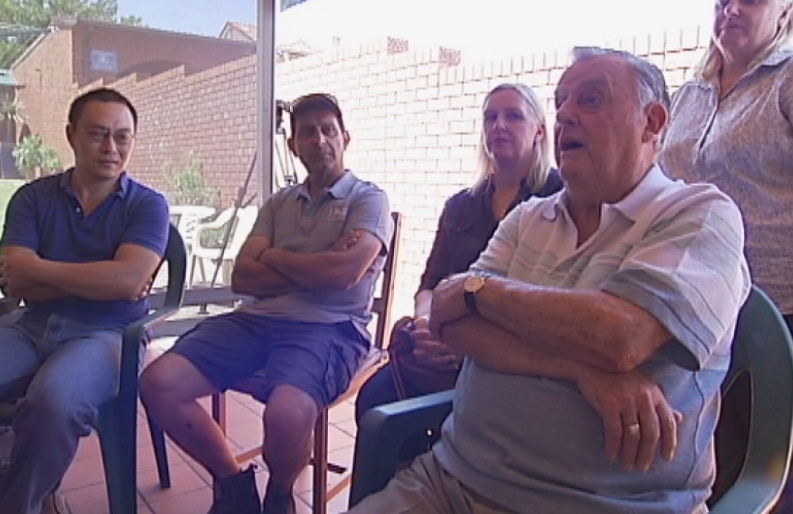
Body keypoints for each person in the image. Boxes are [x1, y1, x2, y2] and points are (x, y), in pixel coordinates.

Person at [347, 46, 751, 514]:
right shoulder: (527, 218)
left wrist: (481, 290)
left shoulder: (700, 214)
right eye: (561, 102)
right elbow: (449, 316)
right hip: (451, 483)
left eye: (591, 100)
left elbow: (620, 336)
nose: (566, 115)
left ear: (653, 122)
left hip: (609, 504)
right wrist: (581, 369)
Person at [659, 0, 793, 514]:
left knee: (789, 488)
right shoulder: (692, 94)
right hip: (714, 318)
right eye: (724, 0)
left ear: (785, 13)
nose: (732, 10)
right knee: (721, 476)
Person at [140, 93, 393, 514]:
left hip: (330, 328)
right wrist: (319, 262)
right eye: (307, 132)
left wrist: (274, 256)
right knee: (158, 382)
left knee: (287, 414)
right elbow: (242, 277)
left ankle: (279, 496)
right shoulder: (279, 203)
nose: (320, 140)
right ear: (294, 145)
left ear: (345, 137)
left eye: (328, 130)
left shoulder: (368, 199)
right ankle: (234, 485)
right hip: (255, 321)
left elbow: (343, 275)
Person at [0, 88, 170, 514]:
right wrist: (104, 277)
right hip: (31, 323)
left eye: (122, 137)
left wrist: (43, 270)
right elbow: (14, 277)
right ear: (71, 135)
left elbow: (129, 280)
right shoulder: (32, 198)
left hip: (108, 335)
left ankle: (20, 504)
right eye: (98, 134)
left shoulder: (148, 205)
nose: (111, 148)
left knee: (52, 402)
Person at [355, 83, 562, 420]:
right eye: (490, 118)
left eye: (513, 116)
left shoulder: (561, 198)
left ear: (539, 130)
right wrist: (426, 326)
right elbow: (430, 284)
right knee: (375, 398)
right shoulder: (460, 206)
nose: (499, 126)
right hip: (443, 345)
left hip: (513, 359)